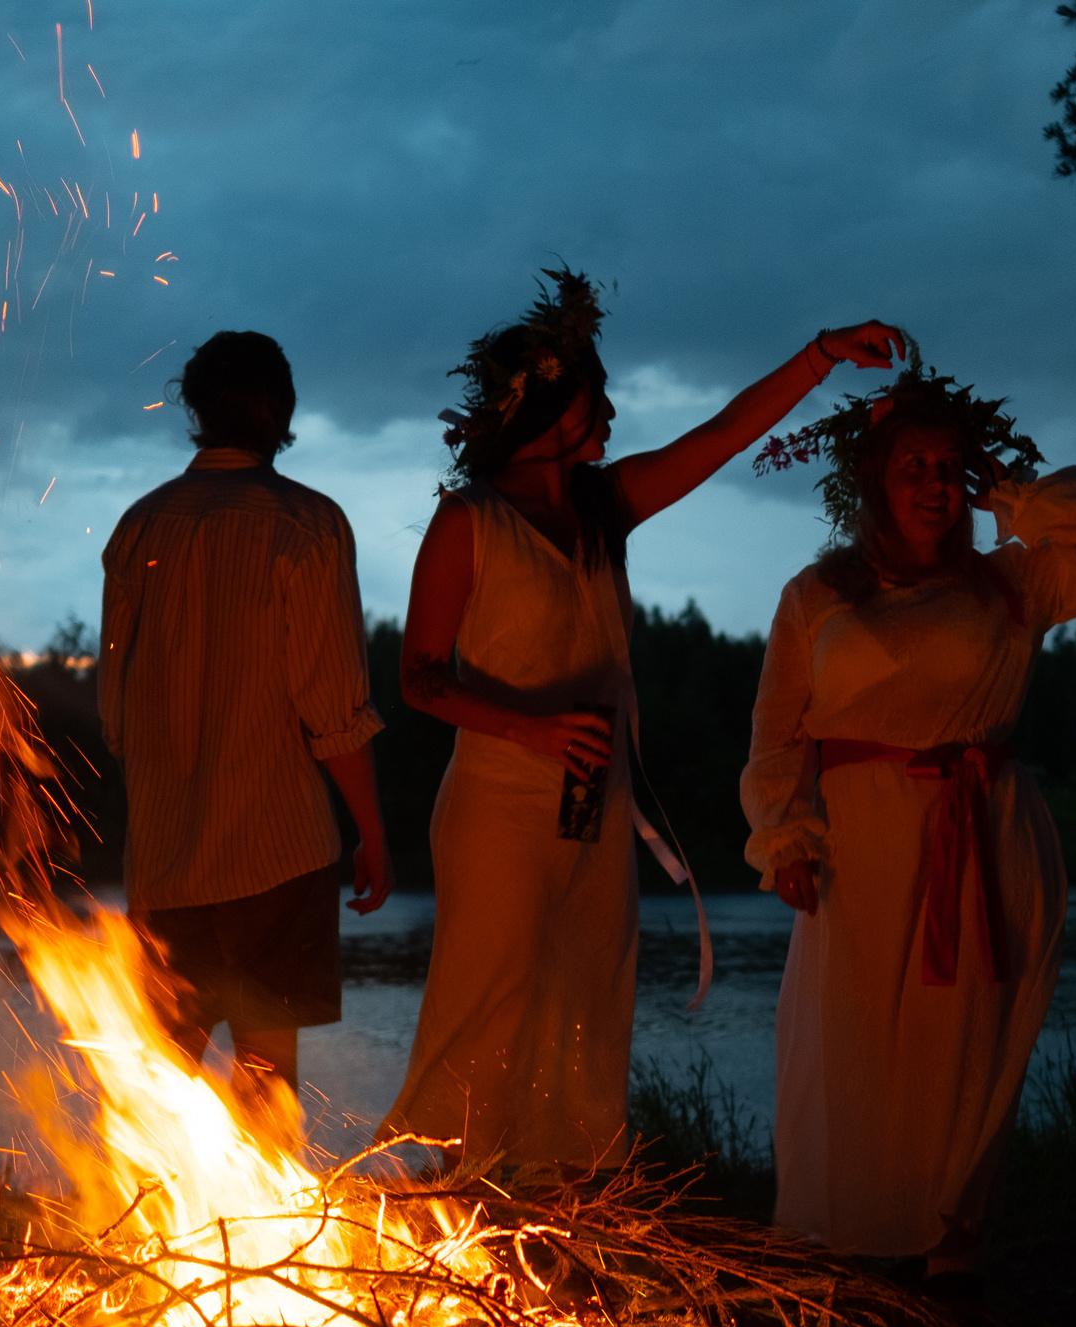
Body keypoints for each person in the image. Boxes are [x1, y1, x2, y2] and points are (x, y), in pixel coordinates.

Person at [374, 269, 905, 1174]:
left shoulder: (603, 510)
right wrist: (531, 729)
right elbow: (419, 680)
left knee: (588, 1004)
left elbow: (723, 436)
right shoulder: (470, 522)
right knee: (484, 1002)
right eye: (598, 396)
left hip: (596, 808)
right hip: (500, 809)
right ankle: (440, 1196)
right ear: (549, 405)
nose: (613, 414)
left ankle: (569, 1208)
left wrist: (820, 356)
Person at [741, 359, 1076, 1284]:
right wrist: (785, 836)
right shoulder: (820, 594)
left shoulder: (1010, 583)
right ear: (874, 482)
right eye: (911, 465)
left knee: (963, 1052)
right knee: (853, 1050)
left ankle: (951, 1254)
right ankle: (847, 1254)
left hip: (984, 843)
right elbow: (775, 731)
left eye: (947, 466)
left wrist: (1003, 484)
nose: (932, 483)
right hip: (859, 851)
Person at [97, 330, 392, 1108]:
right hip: (278, 850)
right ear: (282, 412)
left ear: (194, 407)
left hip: (164, 857)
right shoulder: (307, 526)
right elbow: (333, 709)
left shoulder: (139, 528)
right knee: (267, 1083)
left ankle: (153, 1226)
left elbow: (116, 712)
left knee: (161, 1090)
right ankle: (267, 1225)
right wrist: (373, 832)